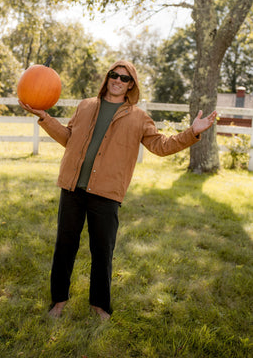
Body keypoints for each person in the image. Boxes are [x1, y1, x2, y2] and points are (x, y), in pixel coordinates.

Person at [19, 60, 217, 320]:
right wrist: (44, 118)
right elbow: (69, 138)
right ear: (107, 77)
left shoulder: (138, 117)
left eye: (125, 78)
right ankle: (58, 301)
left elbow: (161, 145)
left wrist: (192, 132)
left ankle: (100, 305)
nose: (118, 80)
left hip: (106, 194)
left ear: (131, 85)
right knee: (64, 247)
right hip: (72, 188)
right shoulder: (86, 106)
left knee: (102, 251)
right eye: (114, 75)